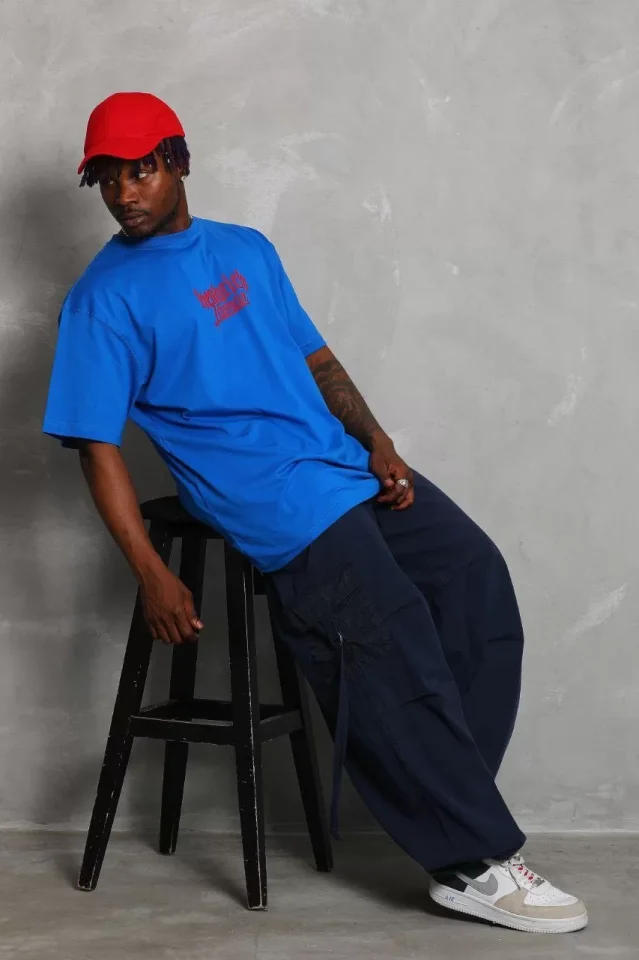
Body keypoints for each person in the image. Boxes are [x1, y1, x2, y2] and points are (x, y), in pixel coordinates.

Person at [43, 92, 587, 935]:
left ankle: (450, 798)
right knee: (386, 632)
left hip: (337, 465)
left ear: (179, 161)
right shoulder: (102, 299)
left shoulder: (245, 249)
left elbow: (316, 358)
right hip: (266, 495)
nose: (123, 194)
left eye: (139, 171)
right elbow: (95, 447)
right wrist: (148, 571)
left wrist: (375, 439)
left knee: (472, 578)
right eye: (107, 180)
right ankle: (469, 861)